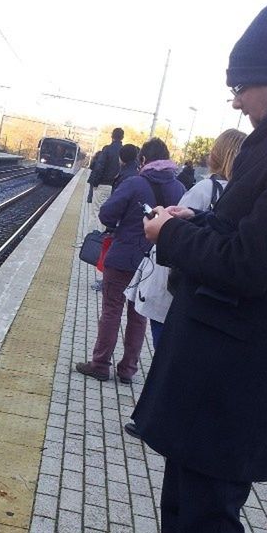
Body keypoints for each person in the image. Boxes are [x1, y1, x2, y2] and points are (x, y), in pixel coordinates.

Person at [132, 0, 267, 533]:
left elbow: (251, 263)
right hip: (220, 385)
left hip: (237, 390)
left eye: (241, 86)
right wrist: (190, 221)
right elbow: (241, 232)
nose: (234, 101)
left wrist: (172, 235)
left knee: (207, 529)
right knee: (185, 514)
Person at [75, 138, 185, 384]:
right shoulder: (178, 188)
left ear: (143, 160)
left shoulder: (135, 182)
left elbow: (107, 214)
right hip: (154, 263)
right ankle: (128, 370)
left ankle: (100, 364)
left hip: (123, 256)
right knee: (139, 315)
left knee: (112, 310)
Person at [128, 128, 246, 348]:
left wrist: (160, 225)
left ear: (218, 154)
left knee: (163, 349)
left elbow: (171, 231)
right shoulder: (241, 192)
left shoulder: (204, 188)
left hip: (171, 290)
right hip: (206, 293)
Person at [87, 127, 124, 232]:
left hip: (103, 185)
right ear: (122, 137)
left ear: (112, 136)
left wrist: (94, 183)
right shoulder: (124, 151)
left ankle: (89, 239)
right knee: (107, 213)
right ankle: (101, 239)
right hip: (116, 188)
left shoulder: (107, 149)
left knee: (95, 212)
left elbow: (99, 167)